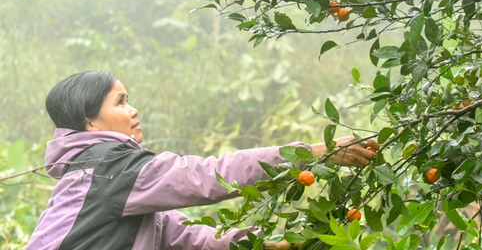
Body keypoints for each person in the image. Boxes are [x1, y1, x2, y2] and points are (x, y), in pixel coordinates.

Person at [26, 71, 379, 250]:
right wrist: (312, 154)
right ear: (89, 122)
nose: (133, 110)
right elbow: (204, 176)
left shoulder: (108, 176)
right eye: (120, 102)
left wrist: (269, 243)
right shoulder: (107, 167)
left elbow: (186, 238)